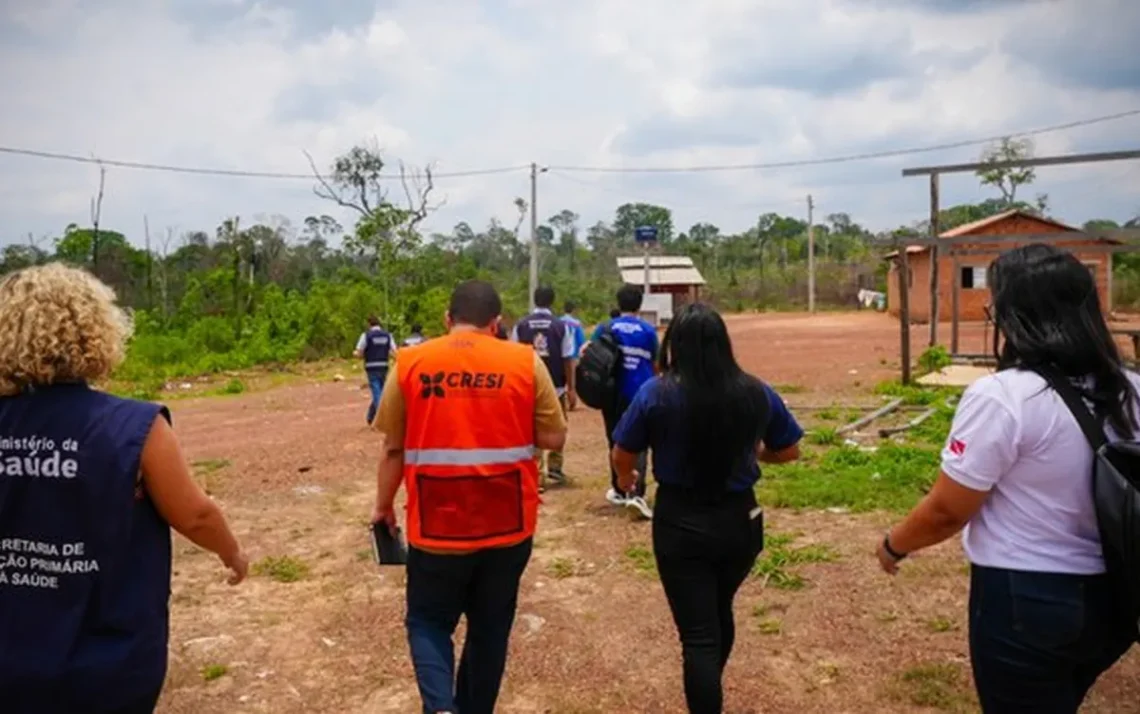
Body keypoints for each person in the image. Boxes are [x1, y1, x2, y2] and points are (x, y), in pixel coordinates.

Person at [877, 244, 1138, 713]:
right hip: (1118, 594)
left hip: (1027, 598)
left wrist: (894, 544)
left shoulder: (1004, 396)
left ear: (1016, 316)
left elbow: (946, 511)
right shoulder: (1132, 389)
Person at [0, 264, 248, 714]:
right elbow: (195, 514)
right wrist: (231, 552)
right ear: (96, 330)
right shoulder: (133, 425)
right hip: (106, 658)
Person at [371, 280, 568, 714]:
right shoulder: (524, 361)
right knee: (490, 629)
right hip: (508, 522)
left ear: (447, 319)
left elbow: (392, 447)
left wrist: (382, 507)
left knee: (428, 620)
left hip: (436, 523)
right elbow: (554, 434)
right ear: (497, 324)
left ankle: (441, 707)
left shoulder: (410, 361)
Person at [611, 302, 802, 714]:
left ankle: (706, 692)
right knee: (718, 610)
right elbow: (789, 449)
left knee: (697, 635)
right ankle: (710, 681)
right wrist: (758, 457)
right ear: (723, 343)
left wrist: (627, 481)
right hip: (740, 522)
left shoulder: (656, 393)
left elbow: (623, 450)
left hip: (680, 523)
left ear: (674, 344)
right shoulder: (754, 390)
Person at [600, 286, 658, 518]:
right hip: (639, 394)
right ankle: (636, 493)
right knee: (639, 443)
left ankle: (619, 488)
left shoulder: (605, 328)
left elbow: (589, 354)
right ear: (640, 304)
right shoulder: (648, 331)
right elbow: (656, 363)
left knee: (615, 440)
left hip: (611, 394)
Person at [512, 287, 577, 489]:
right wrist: (572, 388)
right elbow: (568, 359)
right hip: (555, 387)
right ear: (552, 301)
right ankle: (555, 468)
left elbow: (512, 357)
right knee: (558, 425)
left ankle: (536, 474)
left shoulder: (521, 325)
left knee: (531, 428)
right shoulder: (561, 326)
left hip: (527, 386)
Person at [353, 316, 395, 426]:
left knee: (377, 392)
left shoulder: (366, 336)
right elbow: (394, 351)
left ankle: (383, 418)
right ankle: (370, 417)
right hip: (384, 366)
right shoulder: (388, 335)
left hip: (371, 367)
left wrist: (357, 354)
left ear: (369, 324)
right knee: (380, 391)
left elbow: (359, 351)